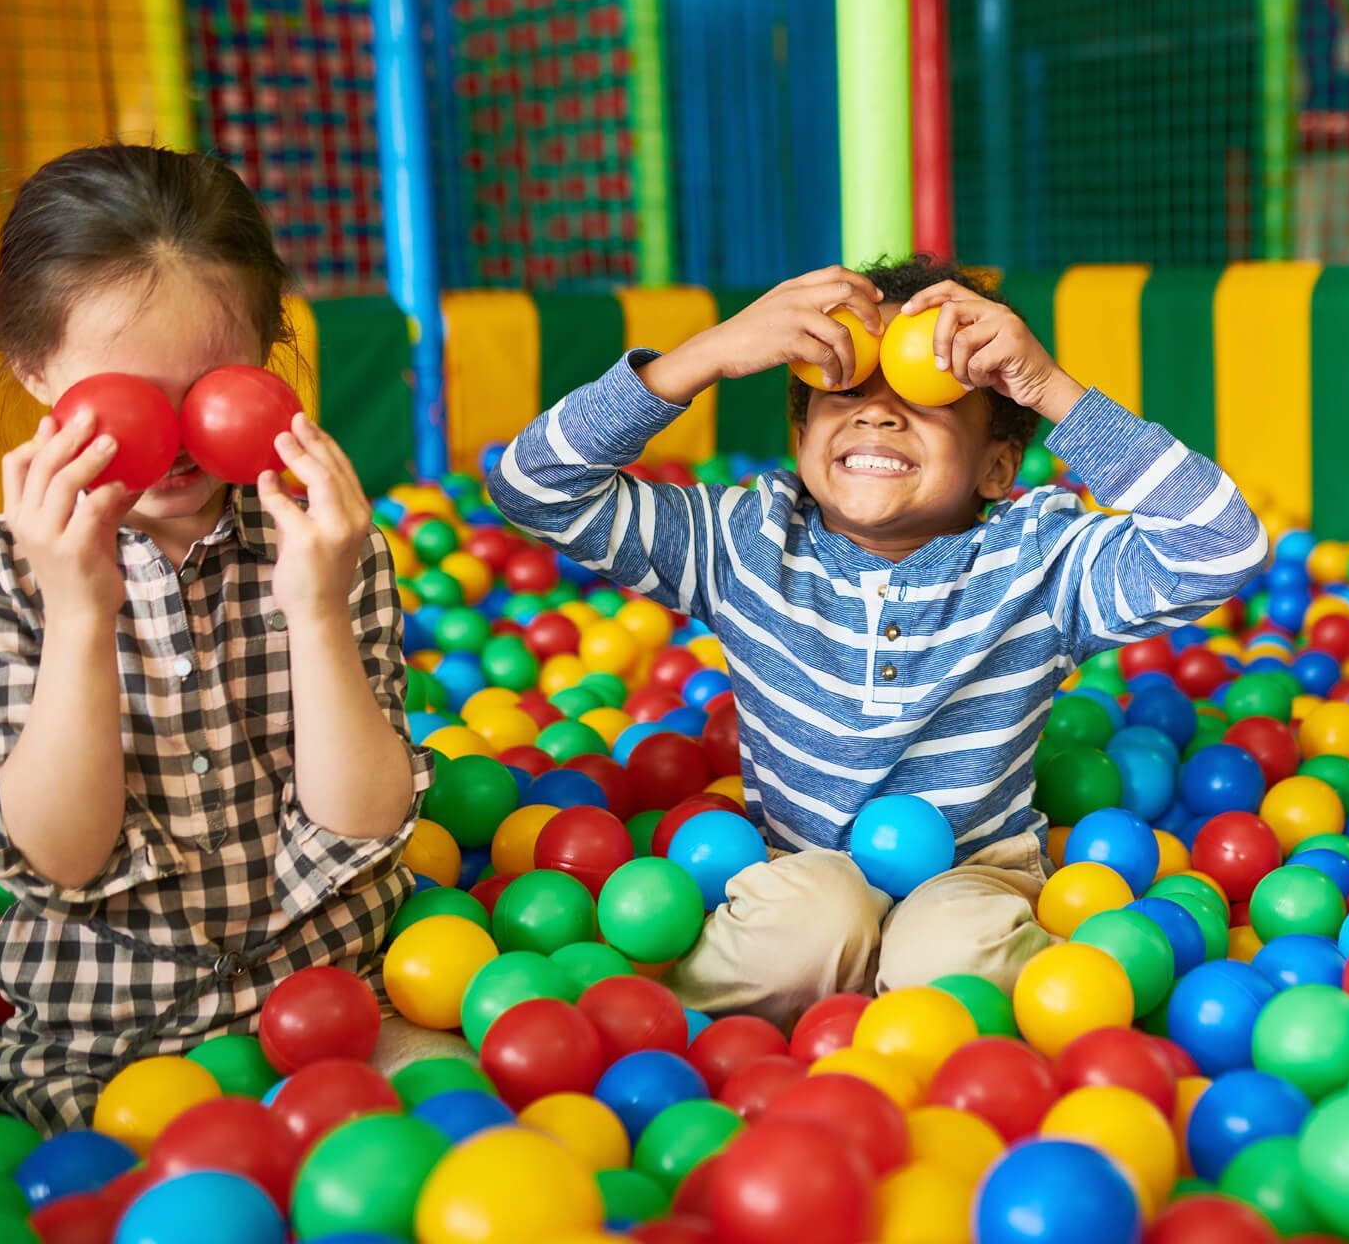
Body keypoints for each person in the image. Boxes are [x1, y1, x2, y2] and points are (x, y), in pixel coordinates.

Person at [489, 256, 1266, 1027]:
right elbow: (531, 486)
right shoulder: (742, 542)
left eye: (924, 396)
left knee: (949, 955)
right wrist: (704, 356)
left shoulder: (1039, 561)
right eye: (846, 391)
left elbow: (1223, 546)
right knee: (809, 927)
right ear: (800, 439)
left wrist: (1047, 389)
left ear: (998, 465)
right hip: (799, 872)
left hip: (973, 875)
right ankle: (690, 1037)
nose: (878, 414)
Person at [0, 145, 439, 1128]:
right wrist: (81, 609)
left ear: (270, 353)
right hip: (109, 1058)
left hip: (339, 1013)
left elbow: (360, 822)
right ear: (36, 370)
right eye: (133, 395)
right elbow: (58, 858)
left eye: (220, 384)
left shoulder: (330, 541)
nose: (183, 435)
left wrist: (318, 606)